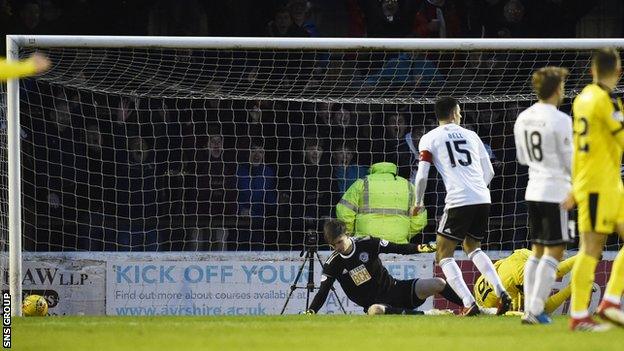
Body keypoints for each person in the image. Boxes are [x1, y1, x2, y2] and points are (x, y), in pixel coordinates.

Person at [412, 96, 511, 316]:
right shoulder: (472, 135)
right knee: (473, 247)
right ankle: (501, 290)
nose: (461, 114)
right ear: (454, 113)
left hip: (458, 200)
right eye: (459, 111)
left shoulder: (429, 138)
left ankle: (468, 301)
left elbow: (422, 176)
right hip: (483, 197)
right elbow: (490, 171)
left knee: (443, 254)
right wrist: (477, 190)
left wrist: (418, 202)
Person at [564, 48, 624, 331]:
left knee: (592, 247)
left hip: (606, 182)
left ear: (592, 71)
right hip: (599, 185)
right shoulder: (605, 101)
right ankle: (579, 314)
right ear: (618, 71)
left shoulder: (582, 99)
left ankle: (610, 301)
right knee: (590, 248)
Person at [513, 66, 573, 324]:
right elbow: (572, 161)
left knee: (537, 251)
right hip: (556, 191)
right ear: (557, 89)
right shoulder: (561, 120)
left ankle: (530, 308)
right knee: (556, 251)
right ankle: (535, 310)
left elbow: (522, 158)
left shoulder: (523, 117)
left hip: (533, 188)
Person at [305, 219, 461, 315]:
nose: (337, 247)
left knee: (438, 283)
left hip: (396, 290)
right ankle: (430, 314)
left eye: (339, 241)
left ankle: (472, 308)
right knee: (375, 311)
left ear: (347, 234)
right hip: (377, 306)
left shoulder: (367, 243)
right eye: (333, 245)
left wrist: (421, 248)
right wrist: (311, 311)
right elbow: (323, 291)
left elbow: (398, 248)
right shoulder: (333, 263)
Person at [336, 162, 427, 244]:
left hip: (365, 242)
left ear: (373, 168)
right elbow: (420, 219)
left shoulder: (362, 183)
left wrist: (351, 233)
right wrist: (404, 234)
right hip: (398, 243)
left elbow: (344, 211)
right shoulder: (409, 186)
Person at [474, 249, 577, 315]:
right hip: (516, 256)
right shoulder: (477, 285)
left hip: (508, 279)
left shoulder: (487, 308)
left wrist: (518, 311)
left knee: (541, 308)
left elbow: (508, 311)